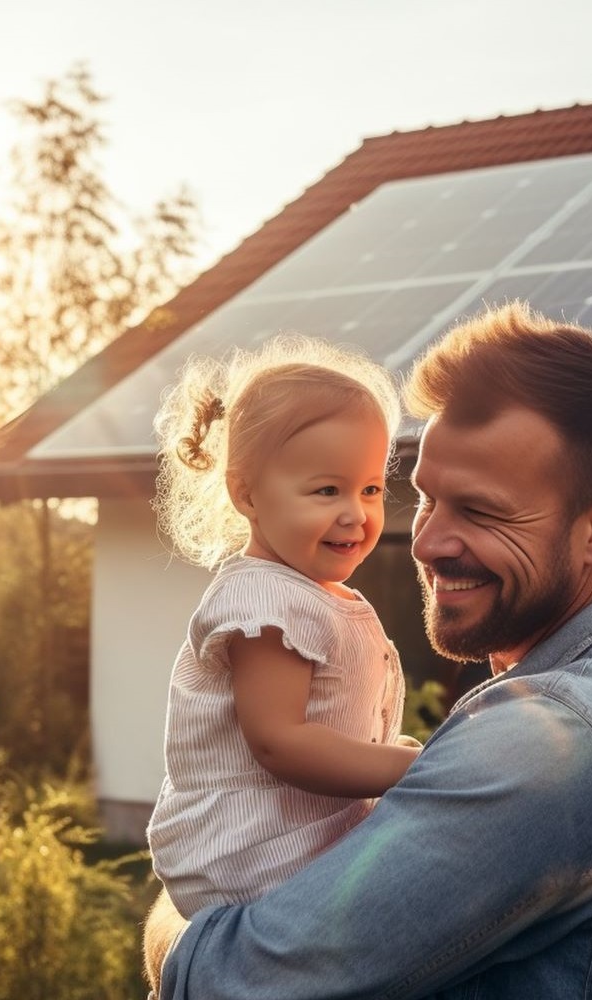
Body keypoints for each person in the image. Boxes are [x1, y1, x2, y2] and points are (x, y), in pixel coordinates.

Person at [147, 301, 592, 999]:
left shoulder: (552, 742)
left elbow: (229, 981)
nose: (425, 542)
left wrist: (177, 915)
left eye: (481, 511)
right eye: (425, 500)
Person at [145, 334, 422, 919]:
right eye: (327, 490)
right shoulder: (265, 601)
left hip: (288, 842)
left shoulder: (310, 594)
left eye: (370, 489)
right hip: (254, 852)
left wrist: (388, 753)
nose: (357, 513)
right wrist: (408, 770)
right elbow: (281, 741)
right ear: (245, 492)